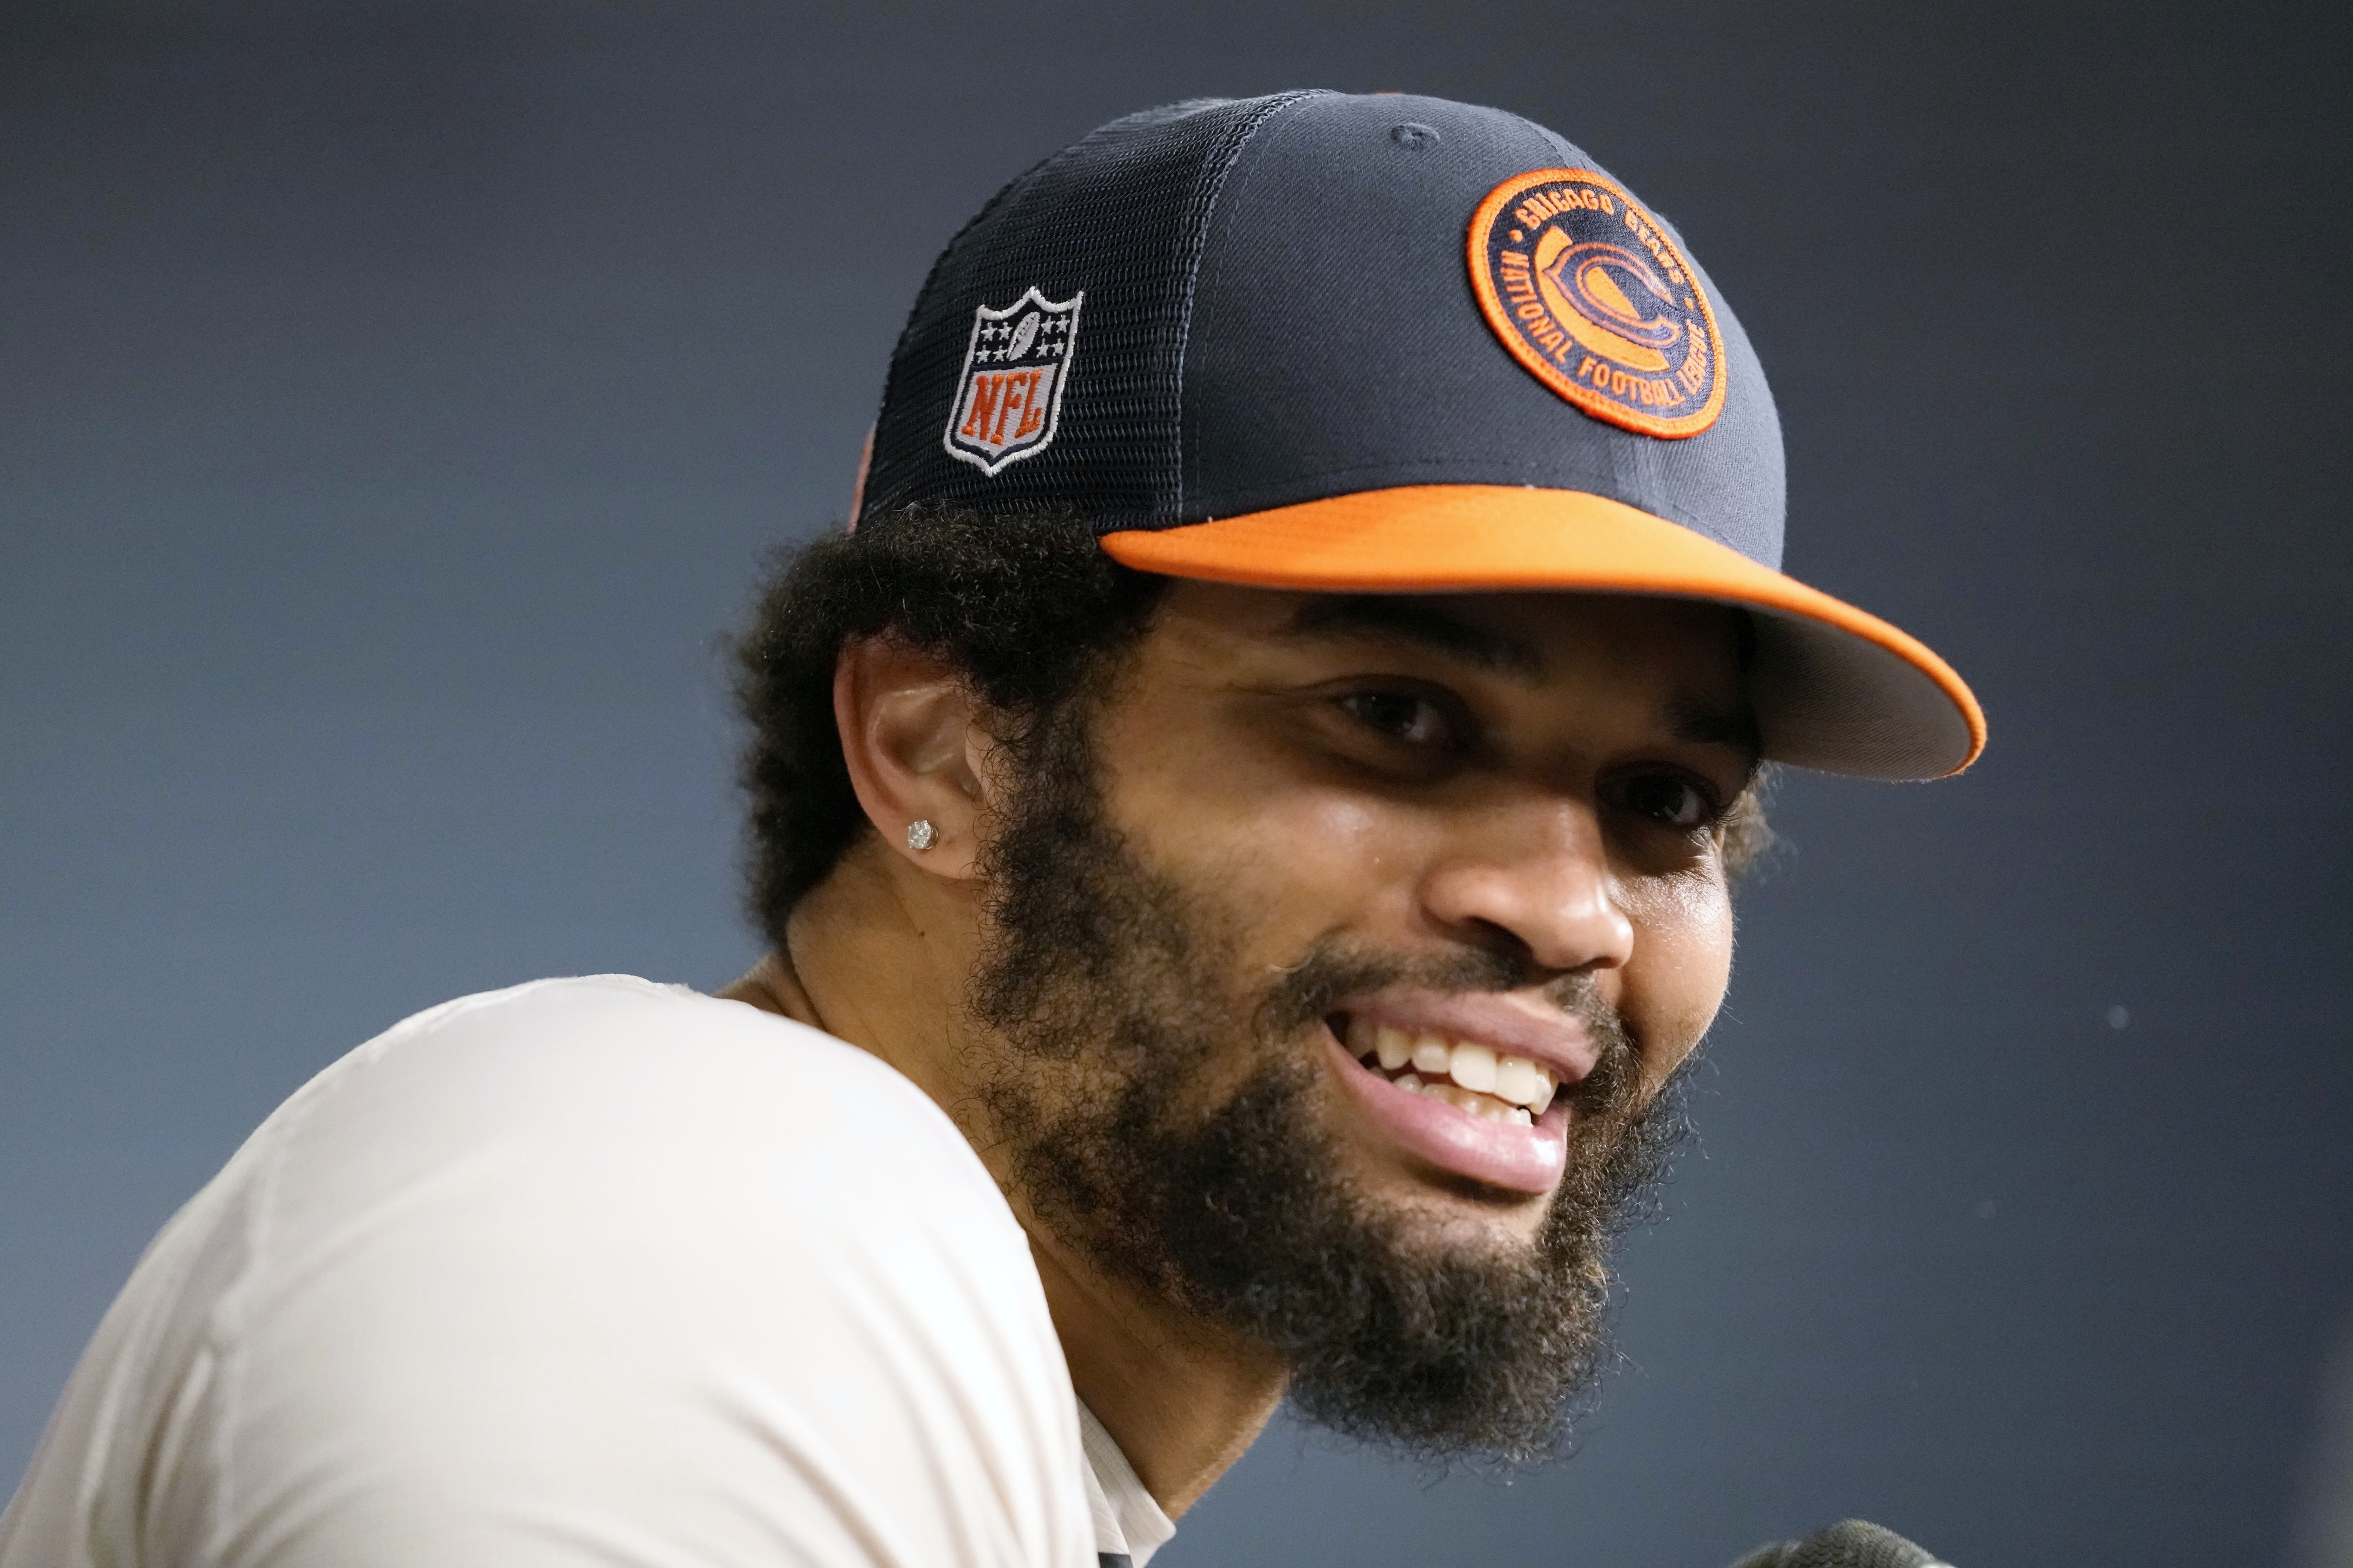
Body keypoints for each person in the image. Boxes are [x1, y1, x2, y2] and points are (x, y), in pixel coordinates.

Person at [0, 91, 1984, 1567]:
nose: (1568, 907)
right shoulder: (698, 1209)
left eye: (1667, 805)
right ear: (942, 746)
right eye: (1396, 716)